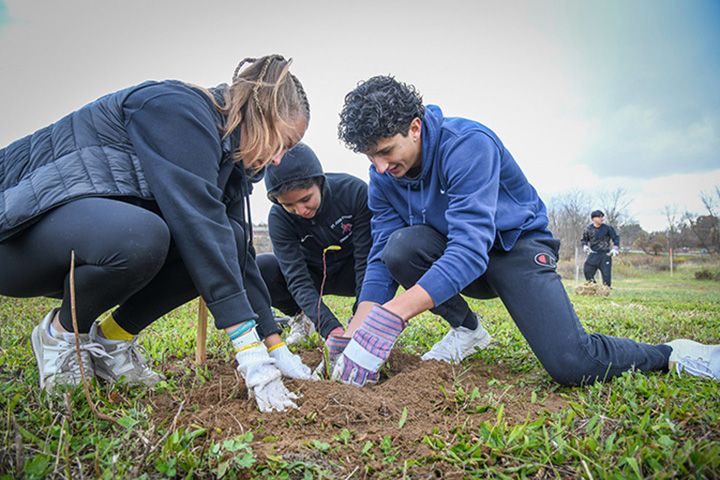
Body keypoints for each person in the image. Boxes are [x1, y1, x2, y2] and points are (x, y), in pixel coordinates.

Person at [329, 75, 720, 387]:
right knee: (400, 248)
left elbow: (470, 248)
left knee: (572, 364)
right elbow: (383, 254)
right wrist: (359, 327)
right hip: (458, 258)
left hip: (514, 248)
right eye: (370, 156)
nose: (379, 167)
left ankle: (672, 353)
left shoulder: (467, 145)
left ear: (414, 128)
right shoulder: (382, 177)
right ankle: (468, 332)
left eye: (386, 151)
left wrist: (394, 314)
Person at [0, 54, 315, 412]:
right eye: (283, 142)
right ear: (262, 111)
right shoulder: (177, 110)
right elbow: (199, 228)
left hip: (87, 245)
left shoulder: (230, 165)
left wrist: (274, 346)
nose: (278, 160)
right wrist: (248, 351)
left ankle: (112, 343)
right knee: (147, 236)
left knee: (219, 239)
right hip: (16, 237)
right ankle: (61, 336)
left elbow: (236, 251)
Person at [258, 142, 372, 346]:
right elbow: (297, 278)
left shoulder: (354, 192)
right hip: (315, 276)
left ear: (319, 182)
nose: (301, 210)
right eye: (288, 205)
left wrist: (360, 318)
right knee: (262, 269)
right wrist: (330, 328)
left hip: (352, 271)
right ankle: (302, 317)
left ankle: (370, 315)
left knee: (387, 257)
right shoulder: (279, 219)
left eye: (306, 199)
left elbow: (367, 262)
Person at [581, 210, 620, 286]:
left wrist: (615, 248)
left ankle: (606, 290)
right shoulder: (588, 229)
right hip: (593, 254)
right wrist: (585, 246)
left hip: (605, 255)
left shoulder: (608, 228)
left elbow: (616, 238)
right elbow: (584, 240)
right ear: (593, 219)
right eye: (599, 217)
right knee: (587, 270)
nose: (601, 219)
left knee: (606, 274)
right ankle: (593, 287)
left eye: (602, 217)